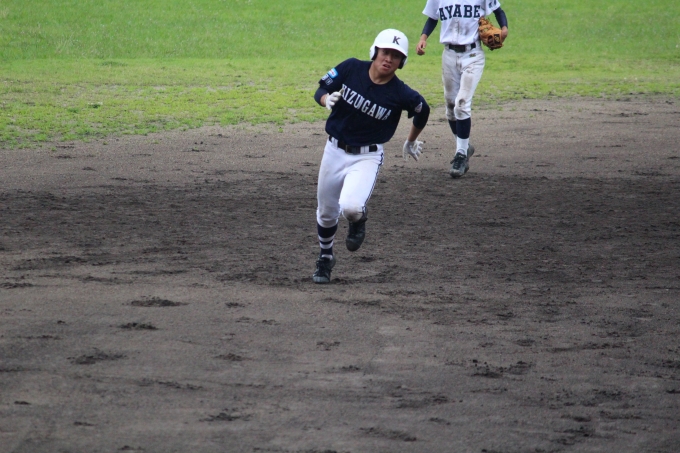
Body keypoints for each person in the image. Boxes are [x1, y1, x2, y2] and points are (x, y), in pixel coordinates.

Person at [311, 29, 430, 284]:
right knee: (326, 212)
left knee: (351, 207)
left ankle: (358, 220)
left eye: (396, 56)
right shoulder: (351, 68)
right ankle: (325, 257)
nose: (389, 59)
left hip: (367, 157)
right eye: (385, 52)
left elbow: (423, 109)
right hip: (334, 151)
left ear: (402, 62)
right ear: (375, 51)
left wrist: (410, 140)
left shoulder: (400, 93)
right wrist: (325, 99)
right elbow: (321, 89)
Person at [416, 0, 508, 178]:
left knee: (461, 103)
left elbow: (498, 10)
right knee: (451, 107)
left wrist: (504, 29)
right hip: (449, 56)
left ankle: (461, 155)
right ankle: (464, 147)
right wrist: (423, 38)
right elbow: (433, 18)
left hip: (473, 55)